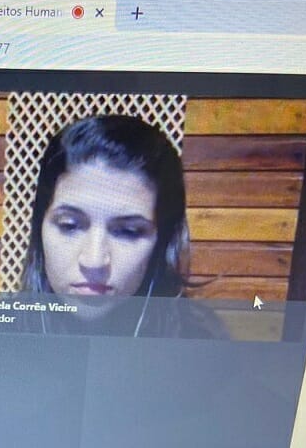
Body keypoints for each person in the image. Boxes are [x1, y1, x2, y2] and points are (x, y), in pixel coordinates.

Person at [18, 115, 224, 338]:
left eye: (128, 232)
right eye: (70, 225)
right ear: (40, 227)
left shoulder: (203, 347)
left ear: (162, 241)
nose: (94, 261)